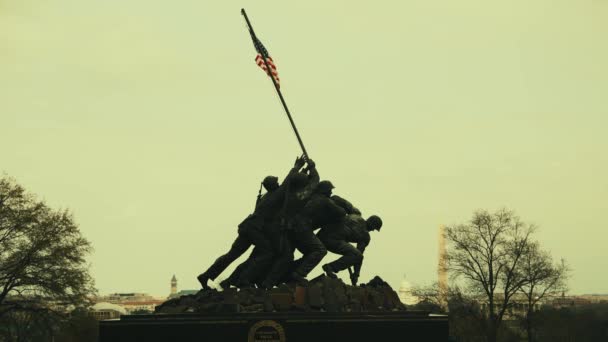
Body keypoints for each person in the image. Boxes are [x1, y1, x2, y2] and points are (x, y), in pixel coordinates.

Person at [196, 156, 306, 289]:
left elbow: (287, 185)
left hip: (247, 227)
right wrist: (296, 167)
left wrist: (302, 171)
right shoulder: (275, 195)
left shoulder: (265, 197)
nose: (278, 184)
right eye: (276, 182)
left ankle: (206, 275)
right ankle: (244, 280)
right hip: (254, 229)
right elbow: (287, 183)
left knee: (232, 255)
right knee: (267, 252)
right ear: (273, 185)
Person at [317, 214, 383, 285]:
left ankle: (330, 268)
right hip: (333, 239)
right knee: (357, 255)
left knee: (354, 254)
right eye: (374, 228)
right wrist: (356, 274)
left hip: (321, 235)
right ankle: (330, 267)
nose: (373, 230)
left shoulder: (355, 216)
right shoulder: (365, 235)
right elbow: (358, 256)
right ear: (371, 223)